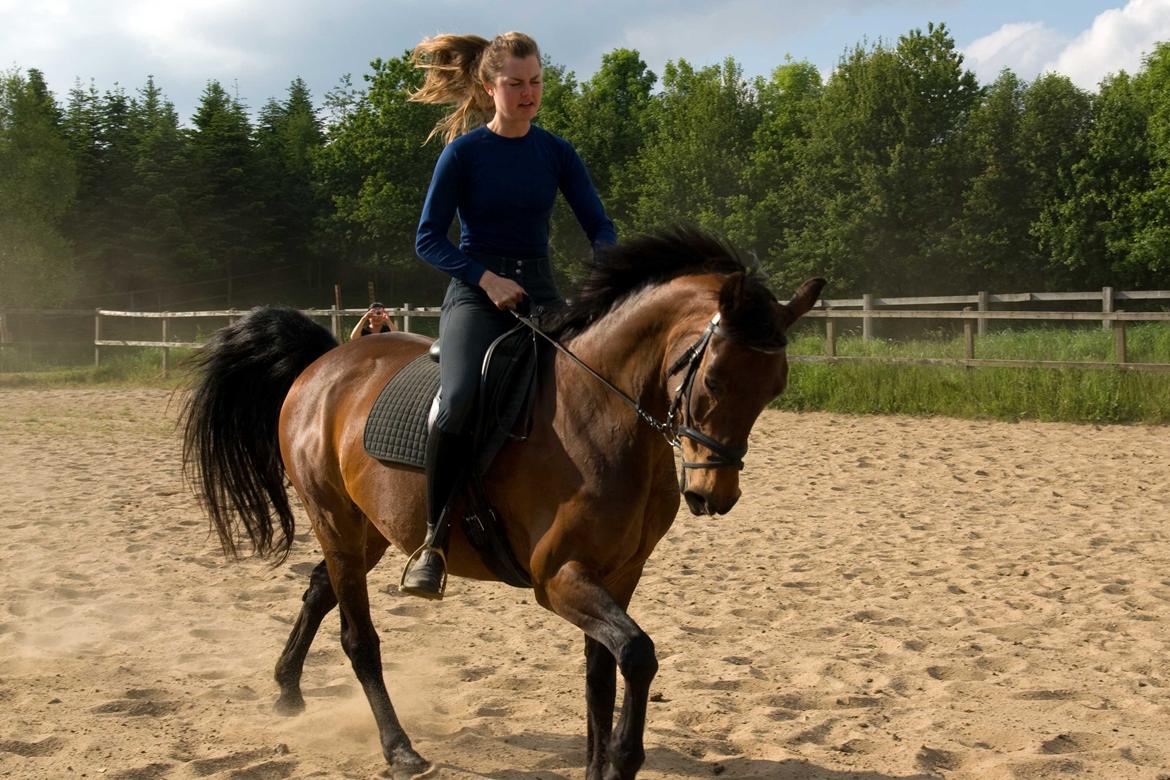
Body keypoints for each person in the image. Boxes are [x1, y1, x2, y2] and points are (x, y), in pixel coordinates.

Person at [401, 31, 617, 599]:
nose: (528, 94)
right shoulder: (464, 153)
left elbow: (599, 225)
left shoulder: (556, 152)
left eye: (536, 82)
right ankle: (433, 543)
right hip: (476, 294)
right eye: (516, 84)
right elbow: (428, 238)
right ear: (490, 86)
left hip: (543, 292)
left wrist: (611, 269)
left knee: (596, 387)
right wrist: (484, 277)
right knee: (461, 400)